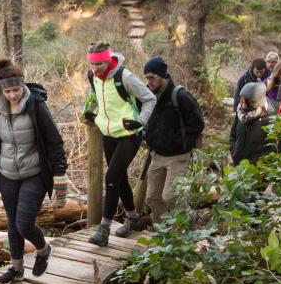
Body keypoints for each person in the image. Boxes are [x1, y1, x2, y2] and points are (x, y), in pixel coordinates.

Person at [0, 60, 69, 284]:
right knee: (12, 223)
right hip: (7, 174)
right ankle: (16, 269)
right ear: (1, 90)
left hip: (34, 173)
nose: (12, 95)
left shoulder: (36, 106)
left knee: (24, 223)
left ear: (22, 85)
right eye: (7, 91)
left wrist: (60, 178)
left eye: (16, 90)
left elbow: (54, 143)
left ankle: (44, 249)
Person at [82, 42, 156, 246]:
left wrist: (140, 121)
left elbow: (150, 99)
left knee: (111, 177)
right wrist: (90, 110)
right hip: (108, 133)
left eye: (100, 64)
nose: (95, 69)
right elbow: (95, 96)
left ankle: (103, 229)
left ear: (108, 60)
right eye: (92, 64)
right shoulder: (92, 76)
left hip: (130, 134)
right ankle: (133, 219)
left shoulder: (125, 77)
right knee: (120, 177)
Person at [140, 57, 204, 220]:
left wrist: (179, 141)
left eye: (152, 77)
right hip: (157, 155)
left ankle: (189, 219)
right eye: (146, 78)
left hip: (178, 156)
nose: (149, 81)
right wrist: (147, 135)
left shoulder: (180, 95)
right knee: (152, 198)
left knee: (171, 197)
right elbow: (147, 119)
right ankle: (161, 231)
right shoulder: (149, 96)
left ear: (163, 75)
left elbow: (197, 124)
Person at [230, 82, 276, 165]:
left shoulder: (271, 115)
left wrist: (259, 165)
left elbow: (272, 147)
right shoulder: (241, 111)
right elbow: (233, 132)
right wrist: (233, 150)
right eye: (242, 98)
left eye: (246, 100)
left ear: (256, 102)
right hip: (238, 164)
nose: (242, 104)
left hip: (257, 169)